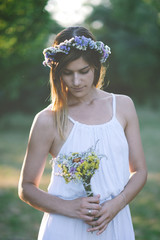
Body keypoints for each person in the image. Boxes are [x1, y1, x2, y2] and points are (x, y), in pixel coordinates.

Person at [18, 26, 147, 240]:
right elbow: (26, 187)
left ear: (96, 67)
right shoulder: (47, 119)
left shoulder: (123, 106)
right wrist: (70, 207)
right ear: (57, 72)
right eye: (67, 73)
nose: (76, 82)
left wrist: (117, 204)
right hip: (65, 227)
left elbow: (140, 171)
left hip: (115, 223)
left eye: (83, 71)